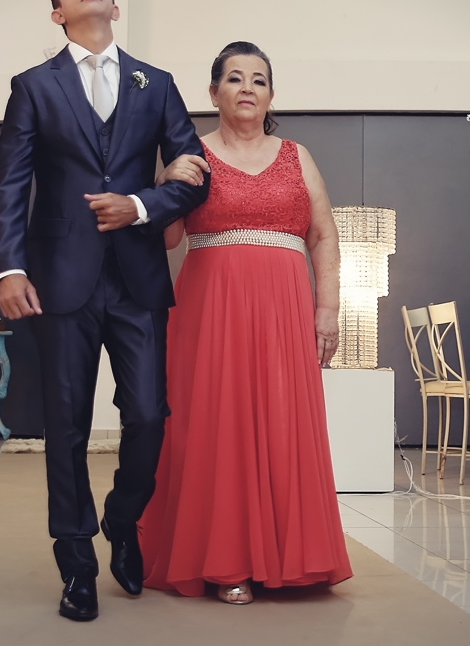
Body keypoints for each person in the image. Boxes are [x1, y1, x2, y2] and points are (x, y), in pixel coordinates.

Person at [0, 0, 209, 621]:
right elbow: (10, 182)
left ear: (114, 7)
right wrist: (10, 268)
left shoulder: (156, 84)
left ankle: (121, 515)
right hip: (60, 278)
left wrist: (140, 206)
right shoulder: (34, 86)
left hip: (138, 277)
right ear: (58, 13)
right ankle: (77, 562)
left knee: (148, 415)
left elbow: (194, 174)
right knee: (66, 425)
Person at [138, 41, 352, 604]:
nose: (247, 88)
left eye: (259, 79)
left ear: (271, 94)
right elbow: (167, 238)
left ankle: (290, 558)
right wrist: (164, 186)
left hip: (285, 310)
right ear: (214, 93)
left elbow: (323, 235)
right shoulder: (193, 154)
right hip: (211, 309)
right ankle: (225, 561)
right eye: (235, 78)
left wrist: (327, 309)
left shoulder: (297, 156)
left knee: (283, 420)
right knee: (216, 424)